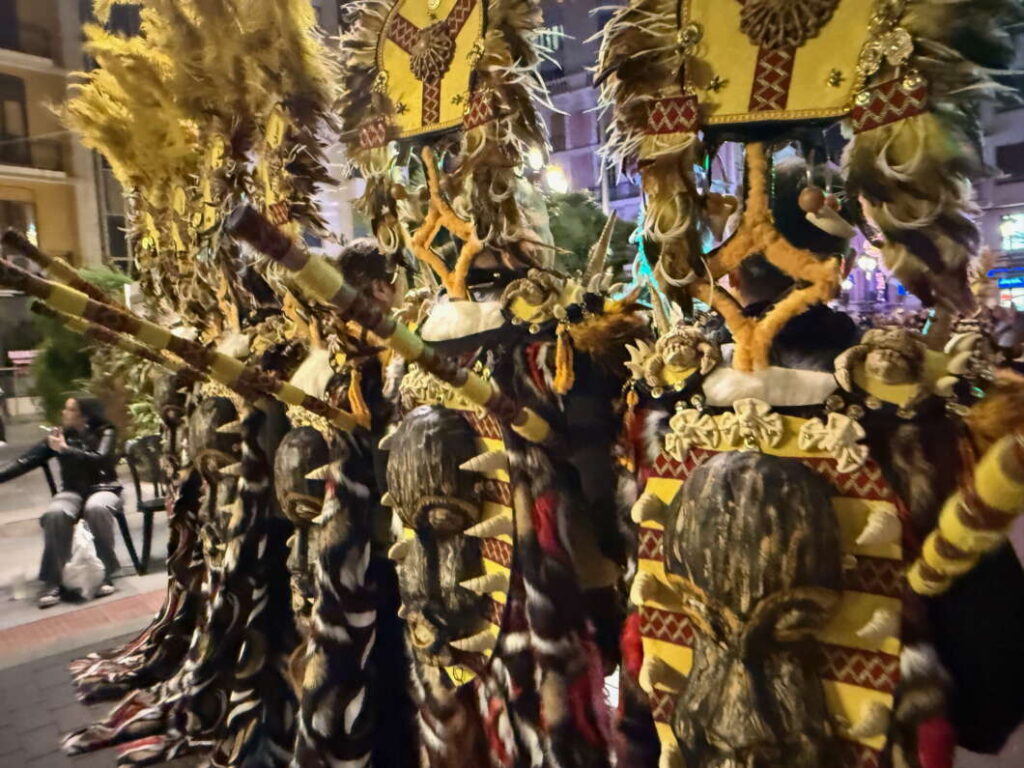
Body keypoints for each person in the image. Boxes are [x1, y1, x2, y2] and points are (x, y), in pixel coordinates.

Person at [0, 396, 121, 607]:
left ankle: (104, 573)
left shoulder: (106, 431)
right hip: (72, 491)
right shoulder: (59, 436)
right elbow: (24, 462)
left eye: (70, 410)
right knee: (55, 513)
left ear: (83, 415)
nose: (64, 413)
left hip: (104, 488)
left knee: (96, 508)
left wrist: (65, 449)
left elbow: (99, 458)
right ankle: (52, 581)